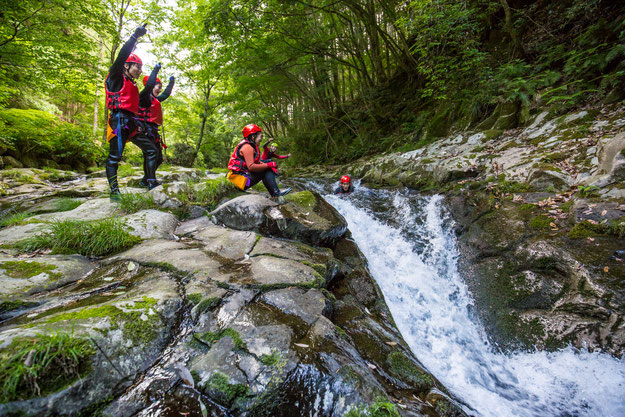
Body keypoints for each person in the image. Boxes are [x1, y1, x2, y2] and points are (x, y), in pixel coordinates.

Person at [104, 25, 147, 198]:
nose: (139, 70)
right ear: (126, 66)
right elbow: (121, 56)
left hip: (131, 122)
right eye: (137, 66)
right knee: (115, 157)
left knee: (151, 149)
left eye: (140, 67)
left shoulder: (133, 84)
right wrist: (135, 37)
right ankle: (114, 191)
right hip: (117, 121)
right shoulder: (116, 76)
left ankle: (149, 180)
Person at [227, 124, 291, 197]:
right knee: (266, 168)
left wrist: (269, 165)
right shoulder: (247, 147)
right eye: (260, 136)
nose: (261, 138)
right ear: (253, 136)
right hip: (241, 182)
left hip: (239, 179)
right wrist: (269, 165)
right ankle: (276, 193)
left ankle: (275, 192)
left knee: (267, 165)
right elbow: (251, 166)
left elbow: (257, 162)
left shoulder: (248, 145)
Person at [136, 72, 175, 188]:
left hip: (153, 131)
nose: (159, 89)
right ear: (150, 85)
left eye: (160, 87)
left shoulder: (155, 99)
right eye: (157, 86)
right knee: (151, 153)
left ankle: (145, 180)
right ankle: (151, 182)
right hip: (144, 130)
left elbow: (166, 94)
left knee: (158, 158)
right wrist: (156, 70)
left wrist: (171, 83)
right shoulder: (144, 98)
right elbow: (148, 88)